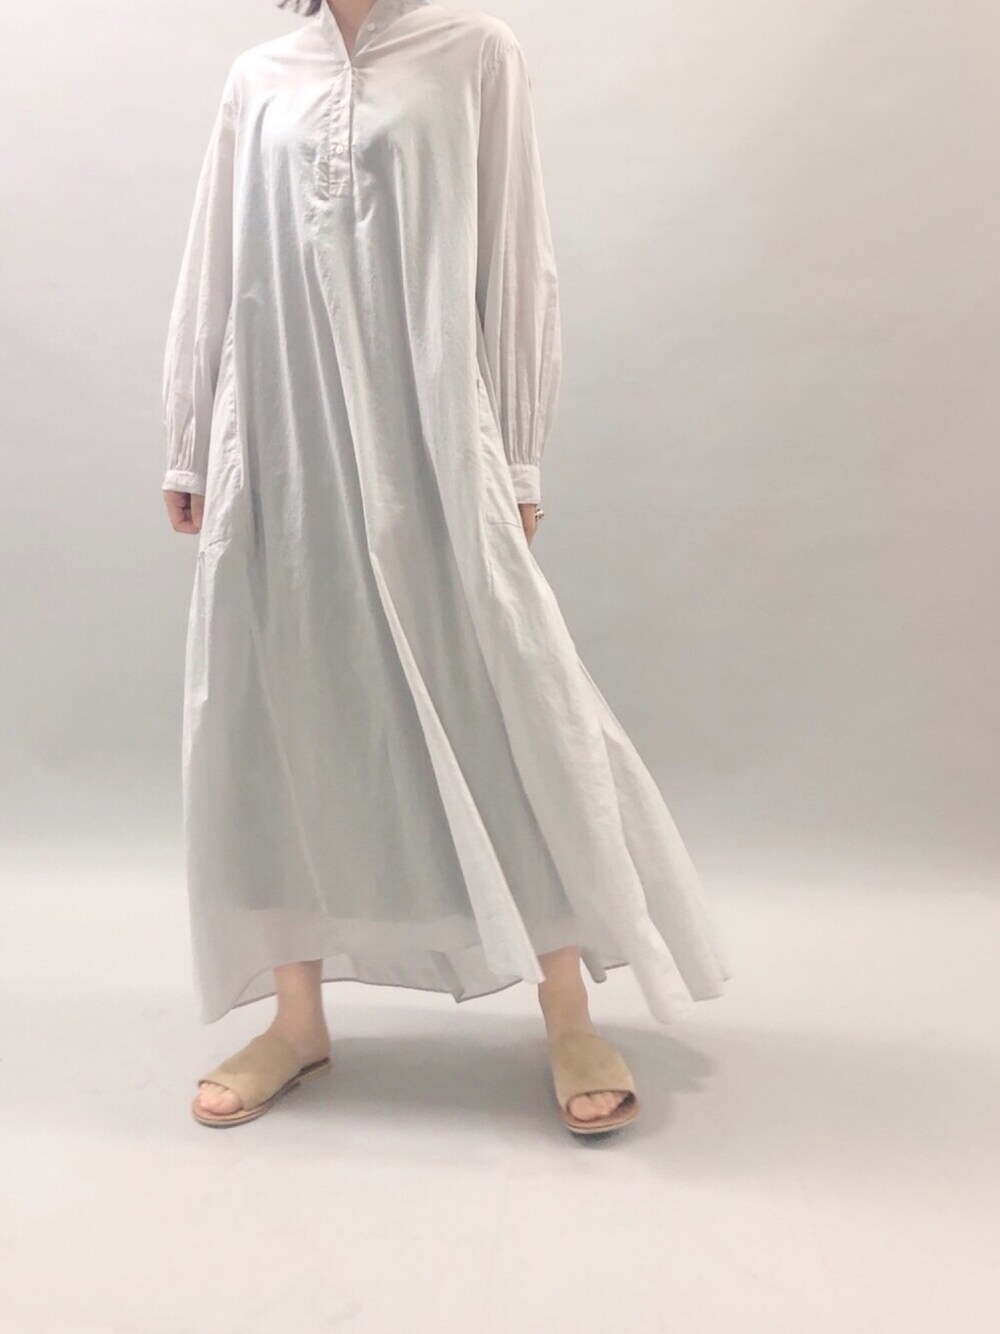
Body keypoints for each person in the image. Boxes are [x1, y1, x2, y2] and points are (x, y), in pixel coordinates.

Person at [161, 0, 732, 1137]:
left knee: (503, 693)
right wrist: (188, 435)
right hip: (281, 430)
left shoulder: (474, 51)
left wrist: (512, 450)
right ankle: (295, 1015)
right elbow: (214, 263)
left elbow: (515, 258)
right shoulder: (260, 75)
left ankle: (568, 1009)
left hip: (428, 423)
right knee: (285, 704)